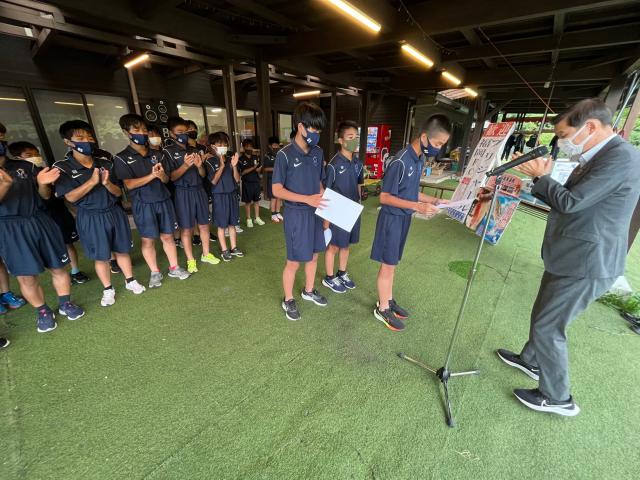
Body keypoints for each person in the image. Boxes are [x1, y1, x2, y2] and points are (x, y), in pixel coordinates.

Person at [497, 98, 640, 417]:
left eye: (564, 135)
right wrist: (544, 178)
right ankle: (531, 361)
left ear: (590, 127)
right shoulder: (600, 156)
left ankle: (558, 397)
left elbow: (571, 202)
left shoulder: (622, 158)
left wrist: (540, 178)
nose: (562, 143)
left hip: (590, 261)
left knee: (550, 325)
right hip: (573, 254)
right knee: (543, 313)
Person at [370, 114, 451, 332]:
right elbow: (384, 197)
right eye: (437, 144)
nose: (438, 149)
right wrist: (417, 207)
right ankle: (382, 308)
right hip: (391, 220)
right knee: (388, 265)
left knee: (393, 263)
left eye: (442, 145)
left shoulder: (418, 159)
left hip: (403, 218)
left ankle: (388, 299)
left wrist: (434, 200)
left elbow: (412, 192)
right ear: (424, 137)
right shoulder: (400, 161)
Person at [53, 120, 146, 307]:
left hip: (114, 211)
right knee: (101, 256)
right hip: (90, 216)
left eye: (89, 137)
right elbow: (70, 197)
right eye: (80, 138)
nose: (86, 141)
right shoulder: (63, 167)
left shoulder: (105, 163)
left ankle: (130, 281)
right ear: (68, 142)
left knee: (122, 250)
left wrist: (106, 184)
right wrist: (92, 182)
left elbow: (119, 192)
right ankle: (108, 289)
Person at [0, 141, 84, 332]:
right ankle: (43, 311)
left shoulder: (25, 166)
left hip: (39, 220)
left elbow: (44, 196)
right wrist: (5, 185)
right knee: (27, 277)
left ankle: (65, 303)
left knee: (58, 267)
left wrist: (42, 184)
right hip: (10, 228)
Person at [113, 114, 190, 288]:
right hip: (142, 204)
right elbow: (129, 184)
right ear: (126, 132)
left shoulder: (158, 154)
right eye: (136, 130)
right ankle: (155, 272)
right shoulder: (121, 157)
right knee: (148, 240)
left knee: (168, 236)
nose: (142, 133)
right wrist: (151, 175)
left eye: (144, 130)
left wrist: (161, 174)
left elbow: (166, 180)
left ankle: (174, 267)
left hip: (163, 200)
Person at [272, 102, 328, 321]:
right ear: (300, 126)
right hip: (296, 214)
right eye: (313, 129)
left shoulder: (318, 152)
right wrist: (307, 199)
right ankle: (288, 299)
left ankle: (309, 290)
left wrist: (326, 210)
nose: (316, 134)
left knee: (314, 255)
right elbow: (276, 190)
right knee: (294, 261)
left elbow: (319, 184)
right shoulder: (284, 155)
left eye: (319, 131)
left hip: (316, 212)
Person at [8, 141, 90, 285]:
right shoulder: (16, 177)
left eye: (36, 153)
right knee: (46, 249)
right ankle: (57, 275)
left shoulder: (48, 170)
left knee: (68, 242)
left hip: (57, 212)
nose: (35, 157)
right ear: (17, 158)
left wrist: (73, 211)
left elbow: (58, 195)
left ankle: (75, 271)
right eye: (29, 155)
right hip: (38, 217)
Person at [161, 117, 219, 273]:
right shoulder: (167, 152)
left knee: (204, 225)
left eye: (186, 131)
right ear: (171, 134)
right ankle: (190, 260)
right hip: (182, 193)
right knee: (186, 229)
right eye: (179, 132)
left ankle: (206, 254)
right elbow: (171, 177)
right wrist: (186, 165)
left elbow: (201, 174)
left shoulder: (193, 150)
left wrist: (200, 166)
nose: (184, 134)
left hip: (199, 190)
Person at [322, 121, 364, 294]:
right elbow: (326, 193)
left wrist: (359, 206)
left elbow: (359, 186)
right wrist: (326, 222)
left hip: (353, 210)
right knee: (333, 246)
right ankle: (330, 278)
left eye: (356, 137)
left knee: (346, 245)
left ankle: (342, 273)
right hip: (336, 211)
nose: (354, 140)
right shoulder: (333, 164)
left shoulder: (358, 163)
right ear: (341, 140)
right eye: (350, 137)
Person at [206, 132, 244, 262]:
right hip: (219, 197)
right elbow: (213, 181)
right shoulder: (210, 161)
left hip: (232, 195)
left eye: (225, 144)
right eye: (220, 144)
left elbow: (237, 179)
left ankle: (233, 247)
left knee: (232, 224)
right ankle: (224, 250)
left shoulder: (231, 158)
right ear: (213, 146)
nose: (223, 146)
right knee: (222, 225)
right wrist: (222, 166)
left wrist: (233, 166)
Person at [238, 139, 264, 228]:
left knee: (257, 201)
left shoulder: (255, 157)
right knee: (248, 202)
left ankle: (257, 218)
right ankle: (249, 219)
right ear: (244, 147)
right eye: (247, 146)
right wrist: (253, 167)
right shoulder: (241, 159)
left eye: (251, 146)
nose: (249, 148)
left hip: (256, 182)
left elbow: (257, 170)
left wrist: (259, 168)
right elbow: (242, 173)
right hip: (247, 183)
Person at [262, 136, 283, 223]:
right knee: (273, 197)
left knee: (279, 196)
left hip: (281, 178)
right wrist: (276, 169)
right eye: (274, 145)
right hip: (272, 179)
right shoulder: (267, 156)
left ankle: (278, 212)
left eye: (277, 145)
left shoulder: (281, 154)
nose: (276, 147)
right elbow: (265, 169)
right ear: (270, 146)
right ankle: (273, 214)